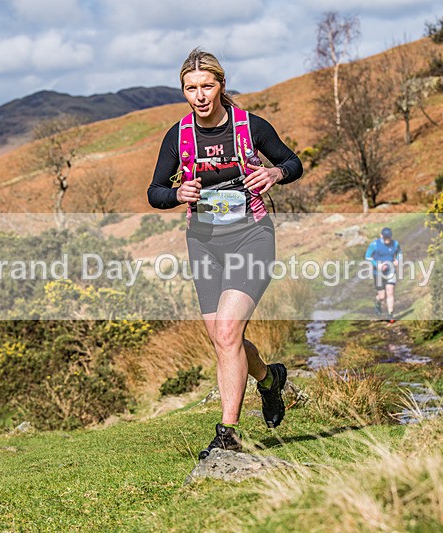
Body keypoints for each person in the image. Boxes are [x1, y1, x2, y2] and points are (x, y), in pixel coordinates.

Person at [147, 48, 303, 460]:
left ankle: (228, 433)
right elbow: (155, 191)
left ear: (221, 85)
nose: (199, 96)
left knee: (229, 332)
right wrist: (177, 192)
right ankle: (270, 380)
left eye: (207, 86)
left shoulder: (249, 126)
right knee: (223, 339)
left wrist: (276, 172)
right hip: (203, 244)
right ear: (183, 90)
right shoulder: (178, 136)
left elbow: (292, 161)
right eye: (190, 88)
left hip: (251, 236)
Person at [365, 227, 401, 323]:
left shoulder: (395, 244)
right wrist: (378, 265)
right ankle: (377, 302)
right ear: (381, 236)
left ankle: (390, 315)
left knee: (390, 292)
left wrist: (397, 260)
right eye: (385, 238)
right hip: (378, 273)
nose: (387, 240)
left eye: (389, 238)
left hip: (391, 272)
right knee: (382, 296)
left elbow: (399, 253)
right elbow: (367, 257)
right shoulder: (375, 244)